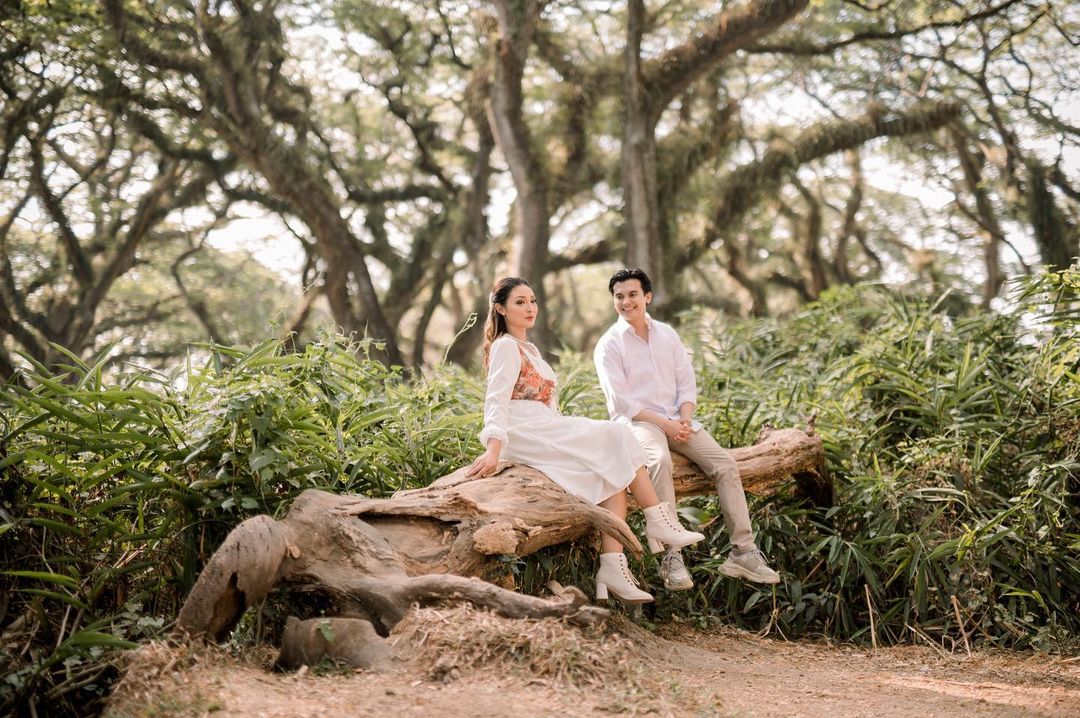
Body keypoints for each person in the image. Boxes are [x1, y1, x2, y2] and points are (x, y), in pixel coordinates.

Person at [465, 277, 705, 604]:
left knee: (610, 468)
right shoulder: (506, 345)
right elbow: (496, 400)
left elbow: (551, 406)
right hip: (524, 430)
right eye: (519, 302)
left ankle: (613, 568)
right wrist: (493, 449)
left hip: (547, 426)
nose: (529, 308)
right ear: (500, 308)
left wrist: (572, 433)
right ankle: (658, 519)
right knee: (618, 433)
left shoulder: (530, 349)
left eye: (532, 300)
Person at [593, 268, 780, 591]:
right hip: (639, 425)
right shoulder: (609, 345)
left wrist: (684, 416)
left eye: (632, 294)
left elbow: (686, 382)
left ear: (647, 297)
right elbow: (621, 402)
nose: (626, 302)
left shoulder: (667, 334)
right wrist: (666, 424)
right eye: (619, 297)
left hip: (679, 421)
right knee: (660, 462)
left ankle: (743, 551)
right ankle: (672, 556)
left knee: (725, 465)